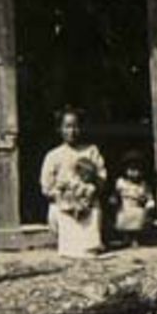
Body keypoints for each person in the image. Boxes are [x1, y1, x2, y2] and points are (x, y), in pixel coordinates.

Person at [40, 107, 106, 257]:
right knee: (58, 212)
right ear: (60, 129)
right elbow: (46, 185)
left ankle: (90, 245)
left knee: (94, 210)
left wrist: (89, 190)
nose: (72, 131)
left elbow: (101, 175)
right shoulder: (53, 155)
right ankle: (69, 247)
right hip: (63, 201)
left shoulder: (91, 150)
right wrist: (61, 194)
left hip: (87, 199)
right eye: (67, 127)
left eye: (76, 126)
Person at [111, 151, 157, 244]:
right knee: (123, 218)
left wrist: (149, 204)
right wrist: (114, 199)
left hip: (137, 207)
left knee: (139, 218)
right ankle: (126, 237)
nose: (134, 173)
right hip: (125, 207)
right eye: (131, 170)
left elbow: (148, 196)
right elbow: (116, 193)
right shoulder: (121, 183)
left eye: (137, 170)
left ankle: (135, 238)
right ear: (125, 170)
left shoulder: (143, 185)